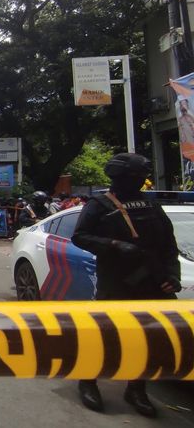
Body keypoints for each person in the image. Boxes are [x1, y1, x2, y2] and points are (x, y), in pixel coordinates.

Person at [71, 153, 181, 418]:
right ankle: (87, 381)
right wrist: (114, 245)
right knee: (104, 336)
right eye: (136, 177)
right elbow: (80, 236)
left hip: (153, 285)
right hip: (117, 283)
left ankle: (136, 389)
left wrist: (172, 276)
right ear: (122, 178)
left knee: (147, 340)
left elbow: (168, 245)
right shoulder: (99, 204)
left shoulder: (151, 205)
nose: (141, 181)